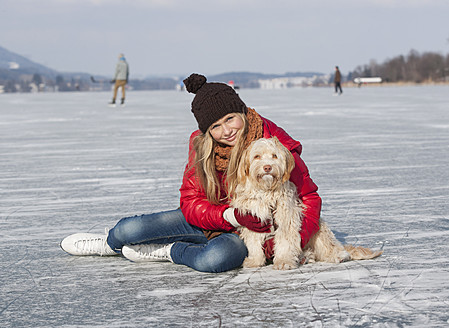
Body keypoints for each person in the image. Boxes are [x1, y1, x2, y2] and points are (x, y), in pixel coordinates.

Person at [61, 73, 322, 273]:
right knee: (129, 229)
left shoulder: (274, 144)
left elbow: (309, 197)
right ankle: (108, 244)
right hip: (211, 218)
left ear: (241, 111)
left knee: (215, 259)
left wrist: (282, 244)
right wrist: (229, 215)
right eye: (216, 126)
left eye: (230, 118)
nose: (227, 130)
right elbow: (189, 202)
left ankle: (169, 251)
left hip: (240, 235)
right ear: (207, 131)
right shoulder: (202, 147)